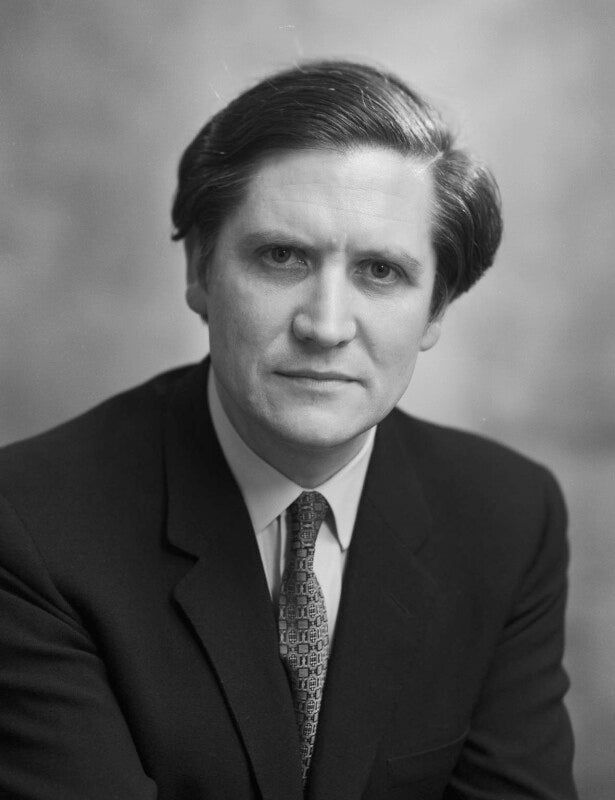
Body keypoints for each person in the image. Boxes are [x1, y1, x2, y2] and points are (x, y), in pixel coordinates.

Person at [0, 61, 577, 800]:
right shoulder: (29, 525)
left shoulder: (508, 515)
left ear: (435, 310)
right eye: (282, 257)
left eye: (380, 271)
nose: (325, 326)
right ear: (200, 270)